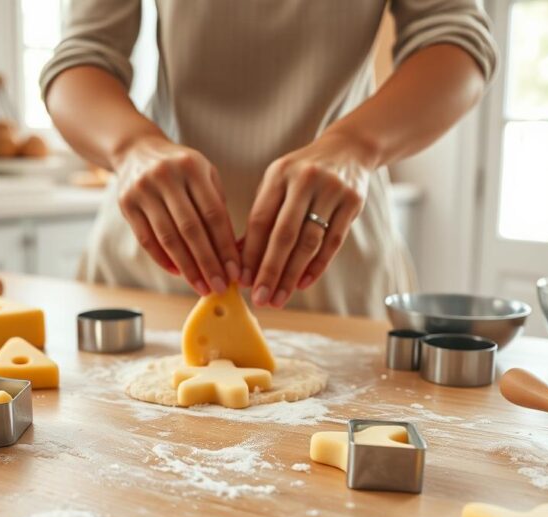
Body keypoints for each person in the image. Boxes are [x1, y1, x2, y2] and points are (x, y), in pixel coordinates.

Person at [42, 0, 497, 318]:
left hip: (336, 263)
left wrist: (356, 146)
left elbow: (457, 39)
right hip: (150, 264)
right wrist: (132, 147)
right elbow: (82, 54)